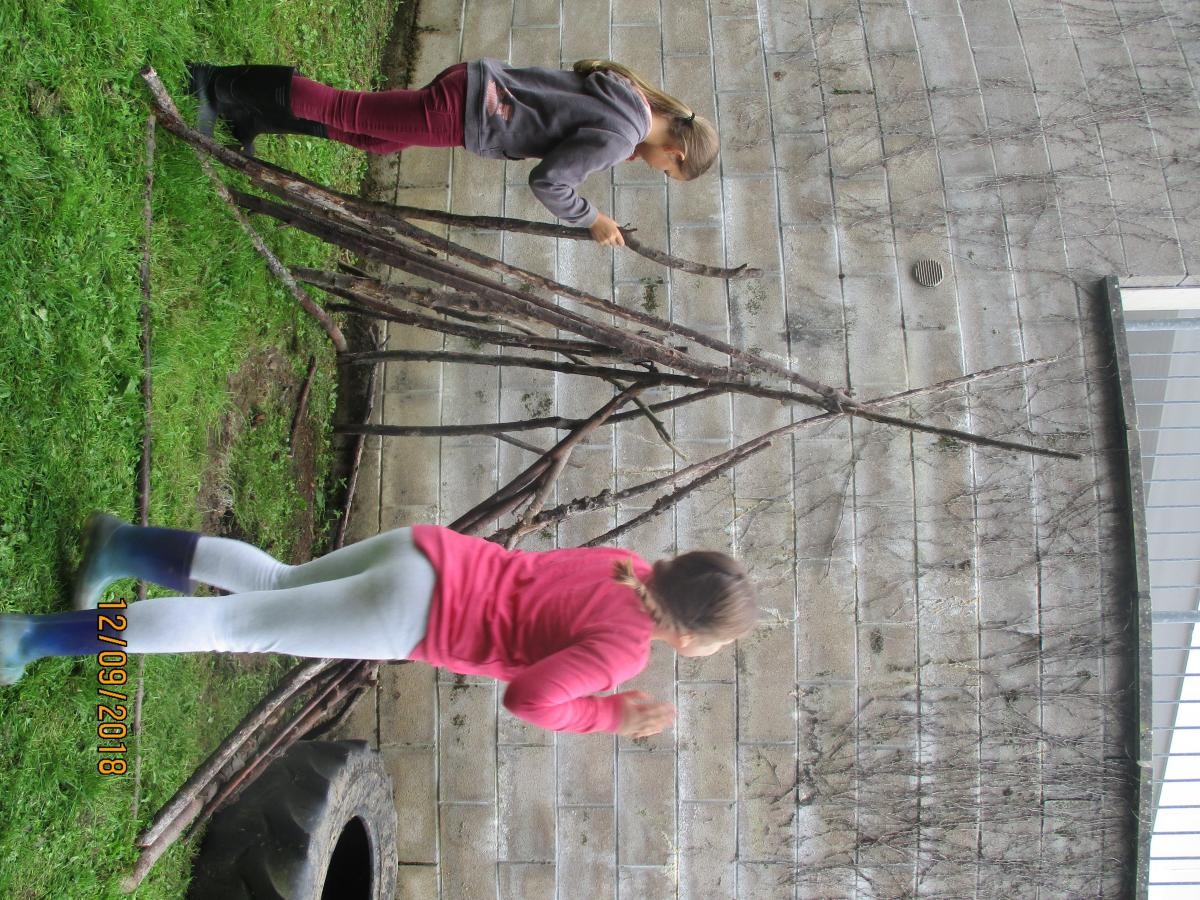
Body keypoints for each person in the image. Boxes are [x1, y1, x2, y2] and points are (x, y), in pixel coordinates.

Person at [0, 514, 757, 736]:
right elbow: (529, 698)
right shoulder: (623, 652)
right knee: (234, 626)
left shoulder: (626, 562)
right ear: (692, 638)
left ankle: (122, 546)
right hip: (411, 616)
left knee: (276, 582)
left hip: (427, 552)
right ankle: (31, 638)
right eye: (719, 642)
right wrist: (608, 714)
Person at [186, 58, 720, 247]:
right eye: (666, 173)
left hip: (473, 87)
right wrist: (592, 219)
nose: (656, 171)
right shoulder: (622, 136)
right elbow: (550, 182)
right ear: (675, 152)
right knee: (346, 108)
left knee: (376, 139)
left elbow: (565, 116)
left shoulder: (631, 99)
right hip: (466, 112)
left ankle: (250, 116)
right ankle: (215, 83)